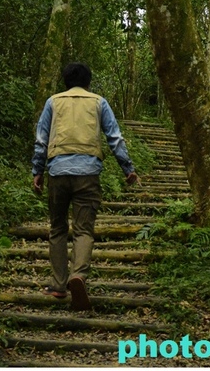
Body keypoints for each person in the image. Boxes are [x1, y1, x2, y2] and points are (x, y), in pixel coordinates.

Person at [32, 61, 138, 310]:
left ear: (65, 81)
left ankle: (59, 285)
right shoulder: (98, 102)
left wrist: (37, 170)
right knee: (83, 230)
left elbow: (41, 139)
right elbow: (115, 137)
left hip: (57, 172)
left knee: (57, 229)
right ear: (88, 82)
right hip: (88, 174)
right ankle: (78, 275)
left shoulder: (53, 102)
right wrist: (128, 168)